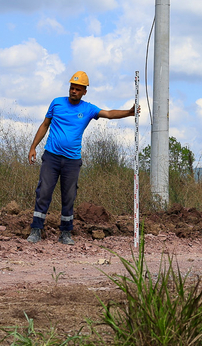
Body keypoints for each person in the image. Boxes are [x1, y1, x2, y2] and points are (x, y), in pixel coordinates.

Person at [26, 71, 136, 244]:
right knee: (44, 192)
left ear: (84, 91)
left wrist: (129, 113)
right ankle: (36, 229)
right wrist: (33, 147)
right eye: (72, 87)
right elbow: (45, 124)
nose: (74, 91)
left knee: (69, 196)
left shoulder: (88, 109)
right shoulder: (56, 103)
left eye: (78, 89)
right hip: (51, 157)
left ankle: (66, 233)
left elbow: (108, 113)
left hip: (72, 160)